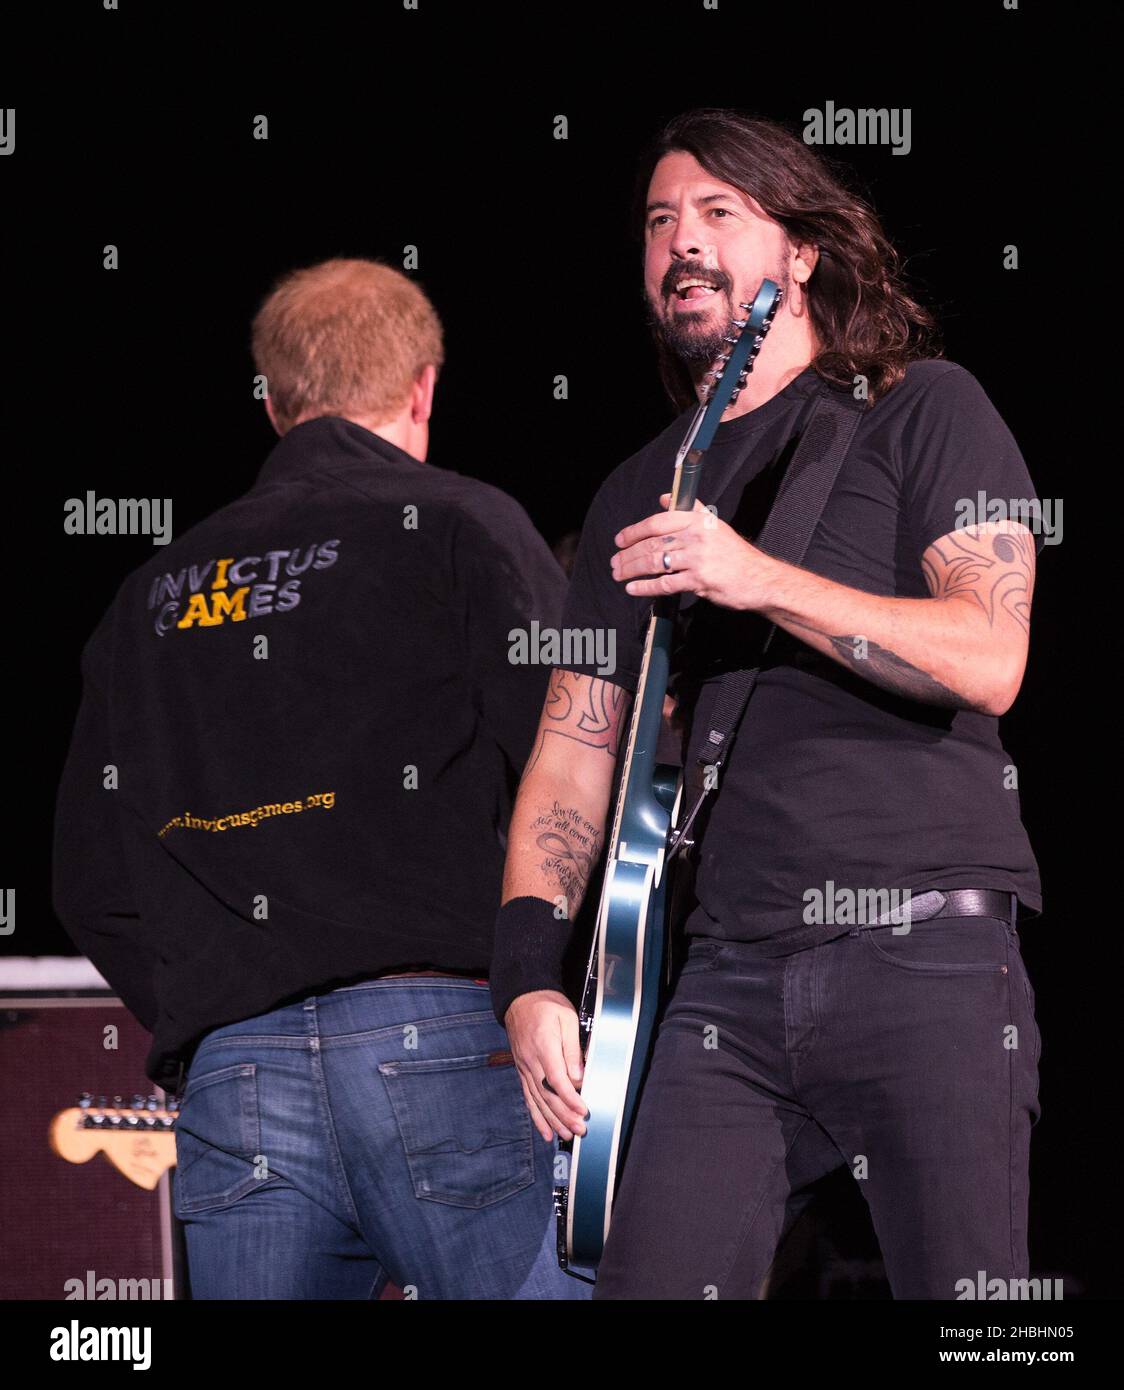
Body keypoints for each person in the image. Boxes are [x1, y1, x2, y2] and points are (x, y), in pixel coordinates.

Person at [490, 110, 1043, 1300]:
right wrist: (528, 972)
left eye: (716, 212)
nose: (678, 240)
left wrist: (752, 576)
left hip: (923, 949)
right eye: (656, 221)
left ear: (798, 252)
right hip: (721, 983)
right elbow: (573, 749)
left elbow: (990, 653)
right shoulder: (641, 487)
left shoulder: (920, 408)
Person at [53, 257, 588, 1301]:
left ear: (271, 403)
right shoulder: (460, 524)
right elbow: (575, 767)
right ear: (424, 386)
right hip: (448, 1039)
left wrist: (214, 1006)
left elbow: (88, 878)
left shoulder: (151, 591)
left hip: (234, 1076)